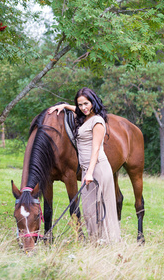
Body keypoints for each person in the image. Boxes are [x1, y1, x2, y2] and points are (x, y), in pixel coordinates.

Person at [48, 87, 121, 243]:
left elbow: (96, 149)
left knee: (102, 208)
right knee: (89, 210)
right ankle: (95, 242)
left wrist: (89, 173)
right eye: (80, 105)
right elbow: (78, 110)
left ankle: (109, 243)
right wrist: (65, 106)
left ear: (93, 102)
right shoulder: (84, 117)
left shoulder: (98, 122)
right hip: (88, 169)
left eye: (86, 104)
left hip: (98, 168)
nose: (83, 108)